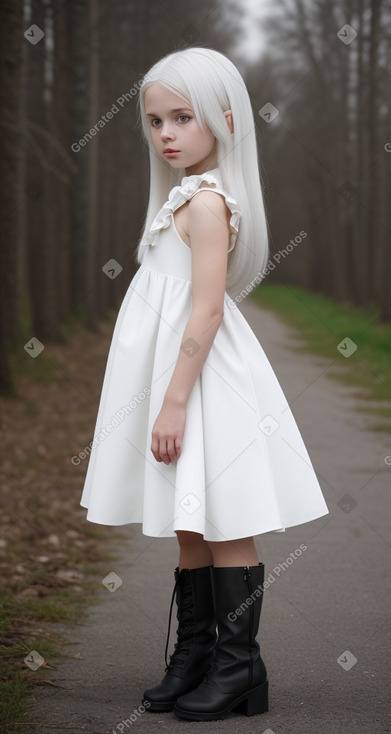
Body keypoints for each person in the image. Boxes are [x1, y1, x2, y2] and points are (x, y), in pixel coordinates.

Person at [79, 46, 329, 721]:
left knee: (224, 521)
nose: (165, 134)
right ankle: (193, 657)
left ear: (221, 119)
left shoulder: (209, 203)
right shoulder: (180, 201)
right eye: (155, 121)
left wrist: (173, 399)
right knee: (191, 523)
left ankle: (240, 666)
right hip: (180, 379)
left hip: (202, 382)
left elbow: (207, 308)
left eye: (181, 118)